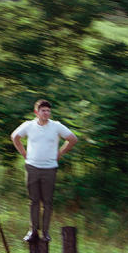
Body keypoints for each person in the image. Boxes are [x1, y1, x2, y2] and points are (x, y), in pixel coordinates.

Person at [10, 99, 78, 242]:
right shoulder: (29, 125)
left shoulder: (56, 126)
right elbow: (15, 137)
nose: (46, 113)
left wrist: (59, 153)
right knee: (34, 200)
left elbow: (72, 139)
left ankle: (45, 232)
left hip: (49, 168)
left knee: (47, 201)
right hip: (32, 167)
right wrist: (23, 153)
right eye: (43, 110)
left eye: (48, 111)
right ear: (37, 112)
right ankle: (33, 231)